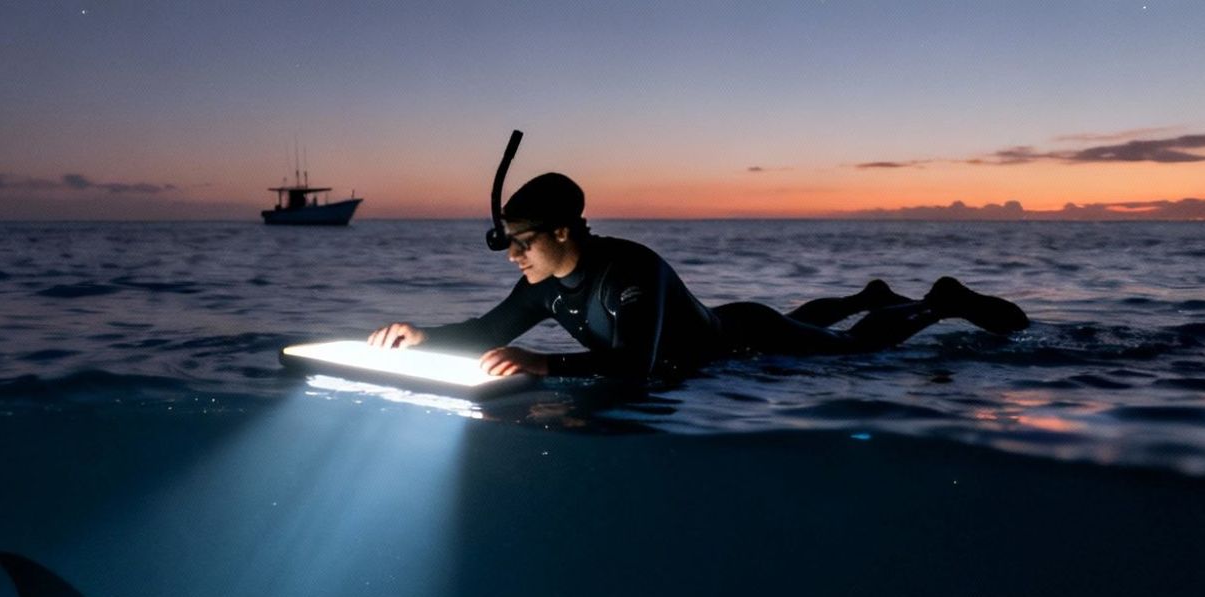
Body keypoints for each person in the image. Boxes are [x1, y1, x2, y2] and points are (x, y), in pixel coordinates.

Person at [367, 172, 1029, 380]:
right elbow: (487, 330)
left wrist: (544, 365)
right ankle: (869, 293)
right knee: (806, 320)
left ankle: (937, 301)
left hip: (750, 341)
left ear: (563, 230)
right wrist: (423, 336)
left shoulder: (631, 269)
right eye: (507, 243)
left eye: (523, 242)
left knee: (857, 348)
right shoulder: (540, 284)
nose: (514, 256)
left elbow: (637, 364)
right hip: (730, 321)